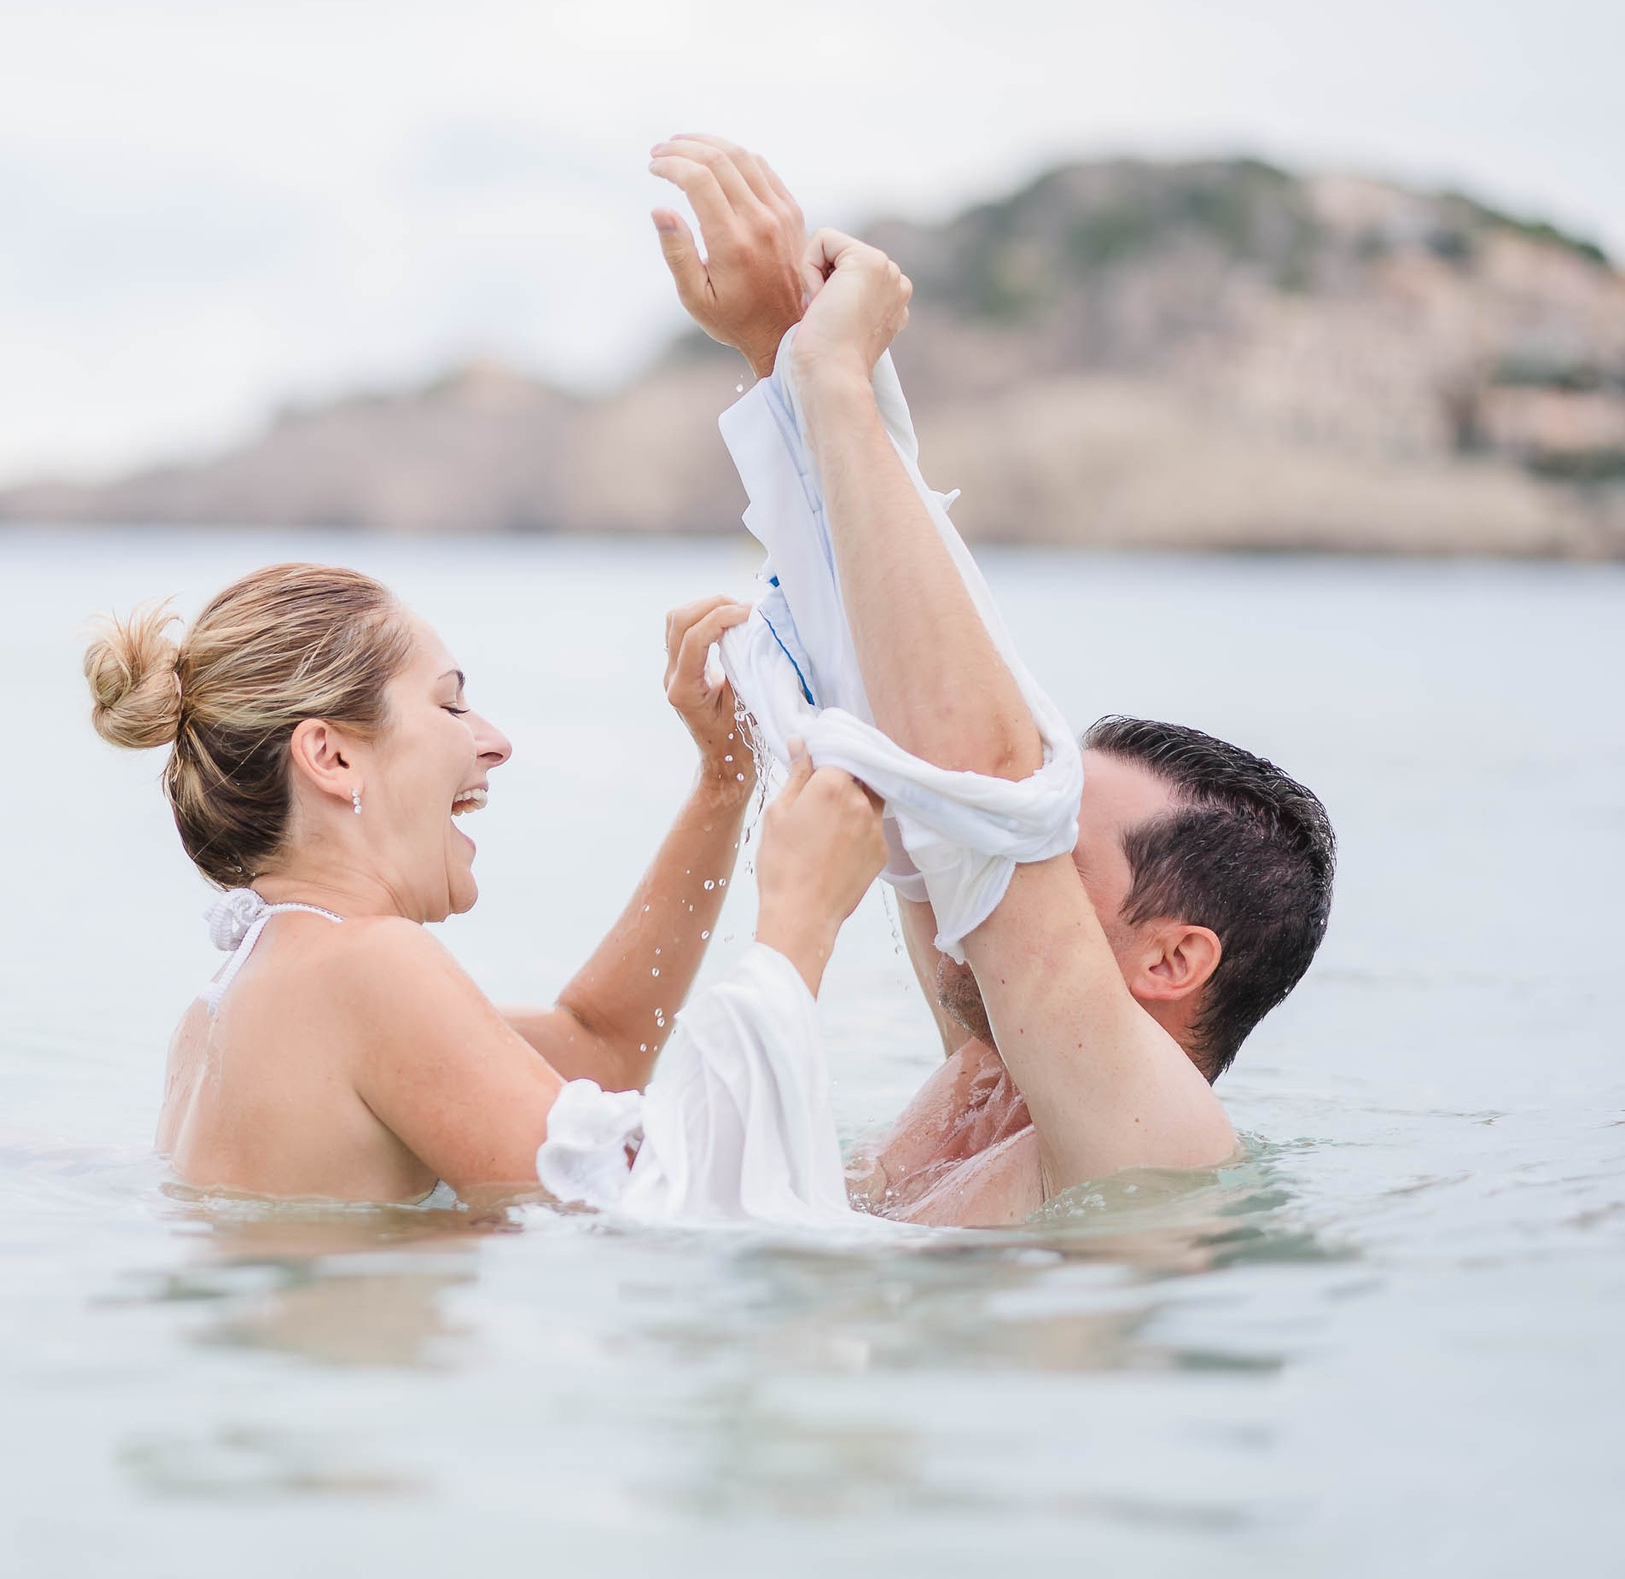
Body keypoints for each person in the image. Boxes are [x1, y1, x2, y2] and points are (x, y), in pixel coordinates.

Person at [646, 133, 1339, 1227]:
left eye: (1060, 842)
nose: (1011, 833)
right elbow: (919, 738)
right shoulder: (989, 1075)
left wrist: (832, 378)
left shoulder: (1157, 1142)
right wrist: (781, 352)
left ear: (1172, 957)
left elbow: (982, 782)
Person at [84, 564, 886, 1206]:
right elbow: (658, 1213)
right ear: (330, 757)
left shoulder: (226, 1005)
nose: (495, 741)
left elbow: (595, 1050)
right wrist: (800, 919)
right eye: (450, 703)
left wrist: (724, 780)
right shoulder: (364, 965)